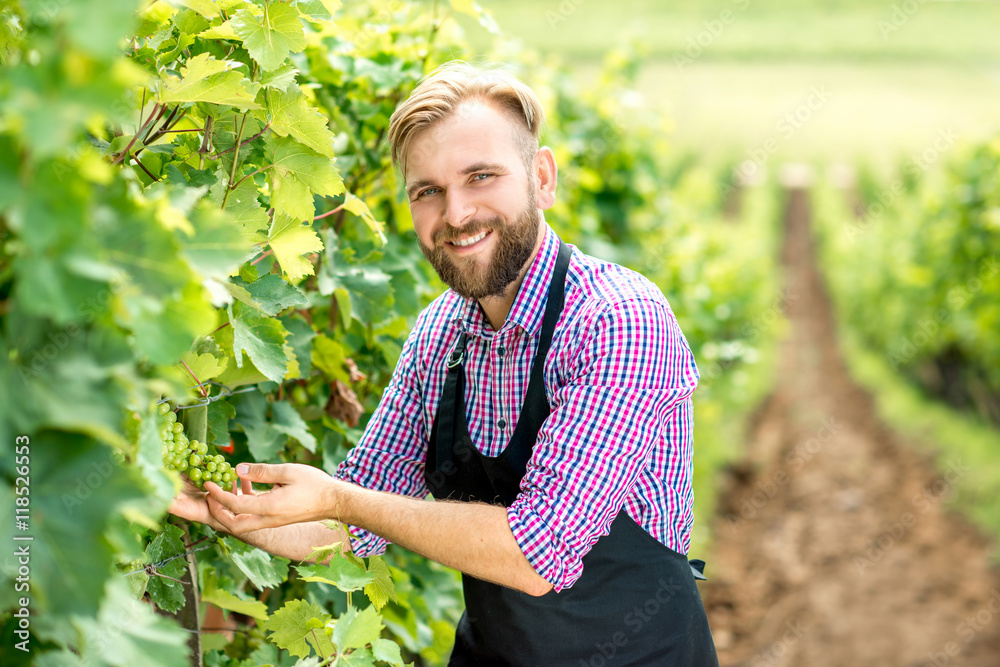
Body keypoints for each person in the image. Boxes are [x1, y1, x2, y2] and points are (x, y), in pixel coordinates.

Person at [171, 61, 719, 666]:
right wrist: (226, 508)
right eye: (427, 191)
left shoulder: (617, 320)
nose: (455, 215)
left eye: (481, 177)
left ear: (542, 178)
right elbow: (350, 527)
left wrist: (342, 501)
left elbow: (536, 556)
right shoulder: (440, 335)